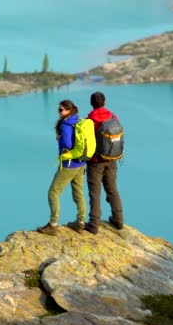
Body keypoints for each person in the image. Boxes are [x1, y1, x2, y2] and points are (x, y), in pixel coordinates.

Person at [37, 100, 87, 236]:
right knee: (78, 192)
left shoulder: (66, 124)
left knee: (53, 192)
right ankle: (81, 222)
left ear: (68, 110)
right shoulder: (79, 120)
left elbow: (69, 144)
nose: (59, 112)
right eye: (58, 109)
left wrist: (59, 138)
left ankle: (53, 224)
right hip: (81, 163)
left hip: (69, 165)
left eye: (61, 110)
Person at [85, 91, 124, 234]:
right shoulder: (113, 117)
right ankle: (118, 220)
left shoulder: (89, 121)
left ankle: (94, 225)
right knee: (113, 190)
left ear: (91, 104)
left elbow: (86, 142)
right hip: (111, 159)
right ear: (105, 102)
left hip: (95, 162)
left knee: (95, 193)